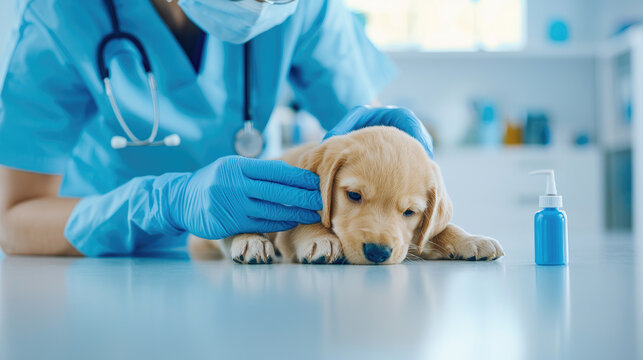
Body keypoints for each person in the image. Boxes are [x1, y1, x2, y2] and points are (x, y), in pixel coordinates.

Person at [0, 0, 433, 257]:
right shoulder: (64, 14)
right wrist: (161, 203)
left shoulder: (307, 8)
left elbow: (370, 139)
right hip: (103, 263)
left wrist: (389, 144)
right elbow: (14, 220)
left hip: (245, 265)